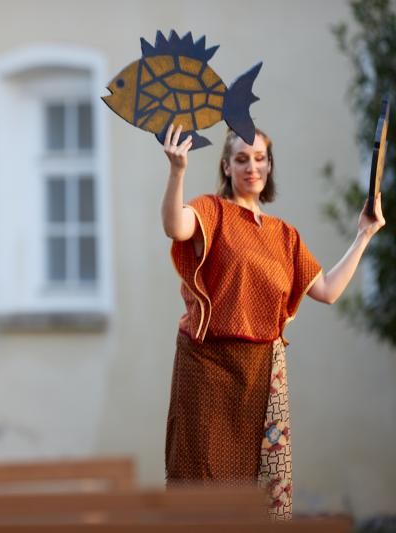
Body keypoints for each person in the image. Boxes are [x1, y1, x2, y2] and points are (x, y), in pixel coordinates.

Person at [160, 124, 385, 519]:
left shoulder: (285, 236)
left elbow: (329, 290)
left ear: (269, 167)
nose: (252, 167)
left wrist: (364, 235)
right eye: (242, 159)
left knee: (263, 497)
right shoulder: (212, 211)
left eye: (260, 158)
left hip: (263, 372)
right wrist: (177, 171)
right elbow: (175, 226)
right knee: (201, 491)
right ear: (226, 166)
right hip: (208, 367)